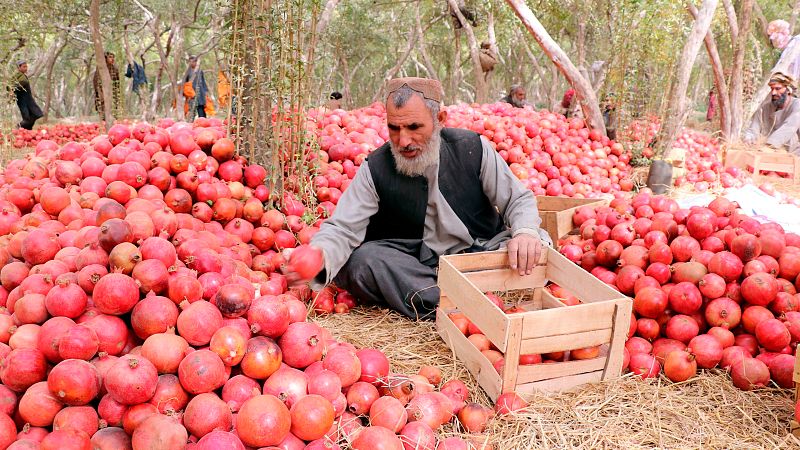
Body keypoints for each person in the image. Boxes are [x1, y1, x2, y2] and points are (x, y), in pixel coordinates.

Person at [293, 77, 551, 320]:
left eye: (414, 127)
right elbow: (343, 228)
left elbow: (518, 200)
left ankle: (458, 301)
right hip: (419, 267)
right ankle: (456, 306)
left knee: (536, 242)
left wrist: (525, 232)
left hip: (480, 253)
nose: (403, 141)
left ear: (439, 120)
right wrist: (319, 255)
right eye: (394, 129)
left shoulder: (471, 148)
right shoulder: (376, 167)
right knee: (362, 262)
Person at [743, 72, 800, 154]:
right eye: (772, 89)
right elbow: (754, 128)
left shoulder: (797, 105)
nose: (773, 93)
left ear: (788, 90)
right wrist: (748, 138)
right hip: (766, 151)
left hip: (794, 152)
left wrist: (771, 145)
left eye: (777, 89)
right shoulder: (764, 108)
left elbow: (789, 126)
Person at [10, 60, 42, 130]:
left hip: (28, 100)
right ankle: (18, 127)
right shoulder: (19, 77)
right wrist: (12, 91)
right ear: (19, 67)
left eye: (26, 66)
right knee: (29, 118)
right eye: (24, 67)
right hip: (23, 101)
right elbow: (13, 86)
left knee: (35, 114)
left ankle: (28, 130)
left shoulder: (21, 76)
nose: (26, 68)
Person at [93, 51, 122, 119]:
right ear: (105, 58)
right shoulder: (101, 68)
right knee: (102, 101)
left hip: (112, 89)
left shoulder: (115, 68)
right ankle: (103, 117)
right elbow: (96, 80)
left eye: (113, 57)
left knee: (114, 102)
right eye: (110, 57)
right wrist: (99, 91)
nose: (112, 59)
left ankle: (114, 115)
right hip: (101, 88)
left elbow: (117, 81)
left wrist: (115, 91)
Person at [183, 55, 209, 122]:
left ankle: (203, 122)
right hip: (192, 94)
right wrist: (187, 94)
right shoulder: (187, 72)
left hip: (201, 93)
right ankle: (190, 123)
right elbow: (184, 83)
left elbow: (203, 81)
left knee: (201, 108)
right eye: (191, 61)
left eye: (194, 61)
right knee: (192, 109)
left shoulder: (200, 71)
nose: (192, 63)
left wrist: (205, 91)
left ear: (196, 62)